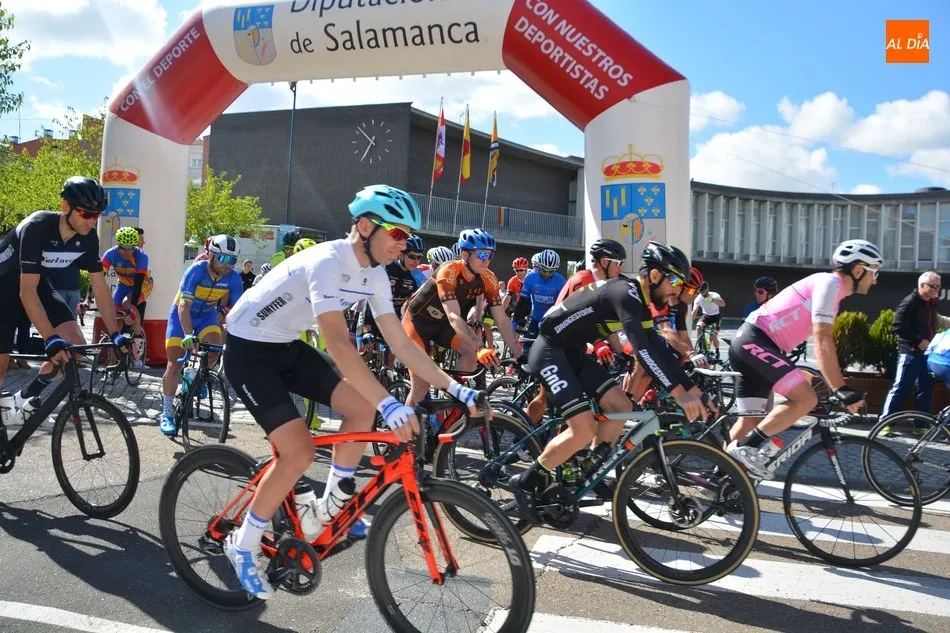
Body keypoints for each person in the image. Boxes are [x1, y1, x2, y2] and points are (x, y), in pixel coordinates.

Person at [221, 184, 481, 600]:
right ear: (364, 226)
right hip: (249, 350)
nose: (404, 244)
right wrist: (389, 403)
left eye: (408, 237)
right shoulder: (327, 262)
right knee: (299, 452)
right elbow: (339, 344)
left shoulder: (374, 274)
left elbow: (399, 341)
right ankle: (243, 543)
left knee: (359, 407)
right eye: (396, 233)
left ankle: (332, 504)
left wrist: (453, 387)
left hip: (284, 345)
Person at [509, 241, 711, 523]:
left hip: (573, 352)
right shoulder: (626, 293)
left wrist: (693, 389)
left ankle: (588, 471)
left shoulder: (640, 303)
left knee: (621, 406)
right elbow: (643, 350)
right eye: (675, 281)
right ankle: (526, 481)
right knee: (583, 429)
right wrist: (679, 393)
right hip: (550, 351)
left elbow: (657, 347)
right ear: (655, 275)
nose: (678, 291)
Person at [725, 239, 882, 477]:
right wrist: (840, 387)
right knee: (806, 399)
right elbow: (822, 337)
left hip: (752, 343)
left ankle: (717, 477)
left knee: (749, 421)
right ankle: (748, 447)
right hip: (755, 342)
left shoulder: (830, 289)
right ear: (859, 270)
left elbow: (822, 339)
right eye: (874, 272)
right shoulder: (830, 284)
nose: (876, 280)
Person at [0, 177, 129, 411]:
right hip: (5, 285)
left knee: (74, 349)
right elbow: (26, 291)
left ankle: (23, 401)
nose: (91, 221)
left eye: (97, 215)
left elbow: (100, 287)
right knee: (1, 366)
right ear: (65, 206)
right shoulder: (36, 227)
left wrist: (115, 334)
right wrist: (50, 338)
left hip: (36, 282)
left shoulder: (88, 237)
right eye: (85, 214)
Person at [402, 228, 523, 408]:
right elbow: (453, 316)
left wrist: (520, 356)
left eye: (490, 255)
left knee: (470, 354)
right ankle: (405, 424)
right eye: (481, 254)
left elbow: (502, 319)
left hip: (443, 326)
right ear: (465, 254)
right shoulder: (448, 271)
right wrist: (480, 347)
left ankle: (452, 406)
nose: (486, 260)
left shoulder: (488, 278)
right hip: (417, 324)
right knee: (421, 386)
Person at [524, 238, 628, 425]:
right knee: (544, 399)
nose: (621, 268)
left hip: (573, 345)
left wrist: (622, 353)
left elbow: (605, 324)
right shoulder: (583, 280)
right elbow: (576, 319)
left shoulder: (605, 284)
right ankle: (522, 432)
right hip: (554, 344)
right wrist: (598, 344)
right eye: (619, 263)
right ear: (605, 262)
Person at [160, 234, 244, 436]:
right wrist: (188, 334)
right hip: (182, 316)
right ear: (211, 255)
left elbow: (238, 310)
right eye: (223, 258)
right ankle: (167, 412)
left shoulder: (234, 278)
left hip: (206, 317)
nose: (227, 264)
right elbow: (184, 306)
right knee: (174, 365)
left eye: (232, 260)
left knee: (215, 350)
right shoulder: (196, 270)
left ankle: (200, 377)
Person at [879, 271, 950, 435]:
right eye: (933, 286)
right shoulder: (909, 302)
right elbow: (897, 327)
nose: (936, 290)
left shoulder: (931, 302)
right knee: (900, 387)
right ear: (922, 285)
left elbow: (936, 320)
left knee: (925, 389)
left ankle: (921, 426)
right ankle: (884, 424)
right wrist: (918, 341)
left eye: (938, 286)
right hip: (910, 353)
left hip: (928, 354)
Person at [93, 226, 154, 322]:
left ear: (135, 246)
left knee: (127, 304)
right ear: (118, 245)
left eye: (130, 248)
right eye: (123, 248)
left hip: (143, 283)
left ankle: (137, 331)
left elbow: (138, 284)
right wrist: (87, 300)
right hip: (124, 283)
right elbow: (97, 278)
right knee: (115, 310)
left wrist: (132, 308)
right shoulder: (110, 254)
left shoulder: (141, 256)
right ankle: (118, 331)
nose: (126, 252)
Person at [513, 249, 566, 336]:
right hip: (535, 319)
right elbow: (523, 302)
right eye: (544, 270)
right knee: (527, 343)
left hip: (553, 321)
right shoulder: (530, 279)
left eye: (551, 271)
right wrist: (516, 320)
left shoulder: (561, 281)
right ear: (539, 266)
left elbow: (564, 306)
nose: (547, 274)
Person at [692, 282, 726, 357]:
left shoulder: (714, 295)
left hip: (716, 317)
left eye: (704, 292)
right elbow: (694, 311)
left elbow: (723, 304)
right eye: (700, 292)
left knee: (713, 336)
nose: (702, 294)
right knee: (698, 327)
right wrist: (690, 321)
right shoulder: (698, 298)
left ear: (707, 290)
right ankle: (701, 348)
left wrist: (712, 299)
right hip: (706, 316)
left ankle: (717, 351)